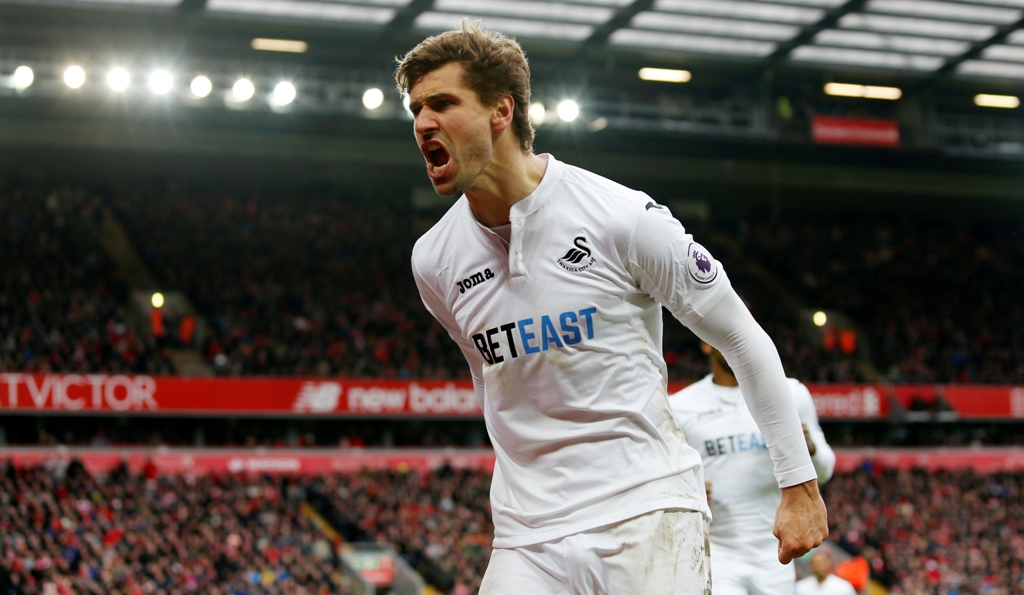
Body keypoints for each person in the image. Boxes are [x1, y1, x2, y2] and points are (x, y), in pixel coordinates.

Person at [398, 21, 828, 594]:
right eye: (416, 109)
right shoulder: (433, 260)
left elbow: (742, 338)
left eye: (443, 103)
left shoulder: (622, 218)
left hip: (646, 513)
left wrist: (798, 484)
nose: (423, 122)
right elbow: (490, 379)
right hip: (528, 536)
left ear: (501, 110)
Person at [670, 342, 836, 595]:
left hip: (776, 552)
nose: (732, 339)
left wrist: (810, 449)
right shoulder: (680, 406)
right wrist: (686, 490)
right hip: (717, 553)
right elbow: (667, 480)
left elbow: (825, 471)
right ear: (704, 342)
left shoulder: (789, 393)